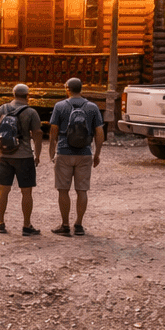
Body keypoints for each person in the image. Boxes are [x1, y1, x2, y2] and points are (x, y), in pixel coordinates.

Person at [48, 77, 105, 236]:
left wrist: (52, 149)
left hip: (64, 152)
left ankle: (65, 225)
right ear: (82, 89)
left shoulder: (59, 106)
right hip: (85, 153)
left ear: (67, 88)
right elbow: (99, 133)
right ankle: (79, 225)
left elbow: (53, 130)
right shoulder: (92, 107)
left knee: (63, 190)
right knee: (82, 190)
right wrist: (97, 154)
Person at [0, 83, 44, 236]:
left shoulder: (2, 109)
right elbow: (37, 134)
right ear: (27, 96)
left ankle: (0, 223)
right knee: (26, 192)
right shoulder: (31, 112)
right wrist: (37, 155)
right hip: (24, 156)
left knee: (3, 190)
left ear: (13, 95)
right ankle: (26, 225)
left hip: (4, 156)